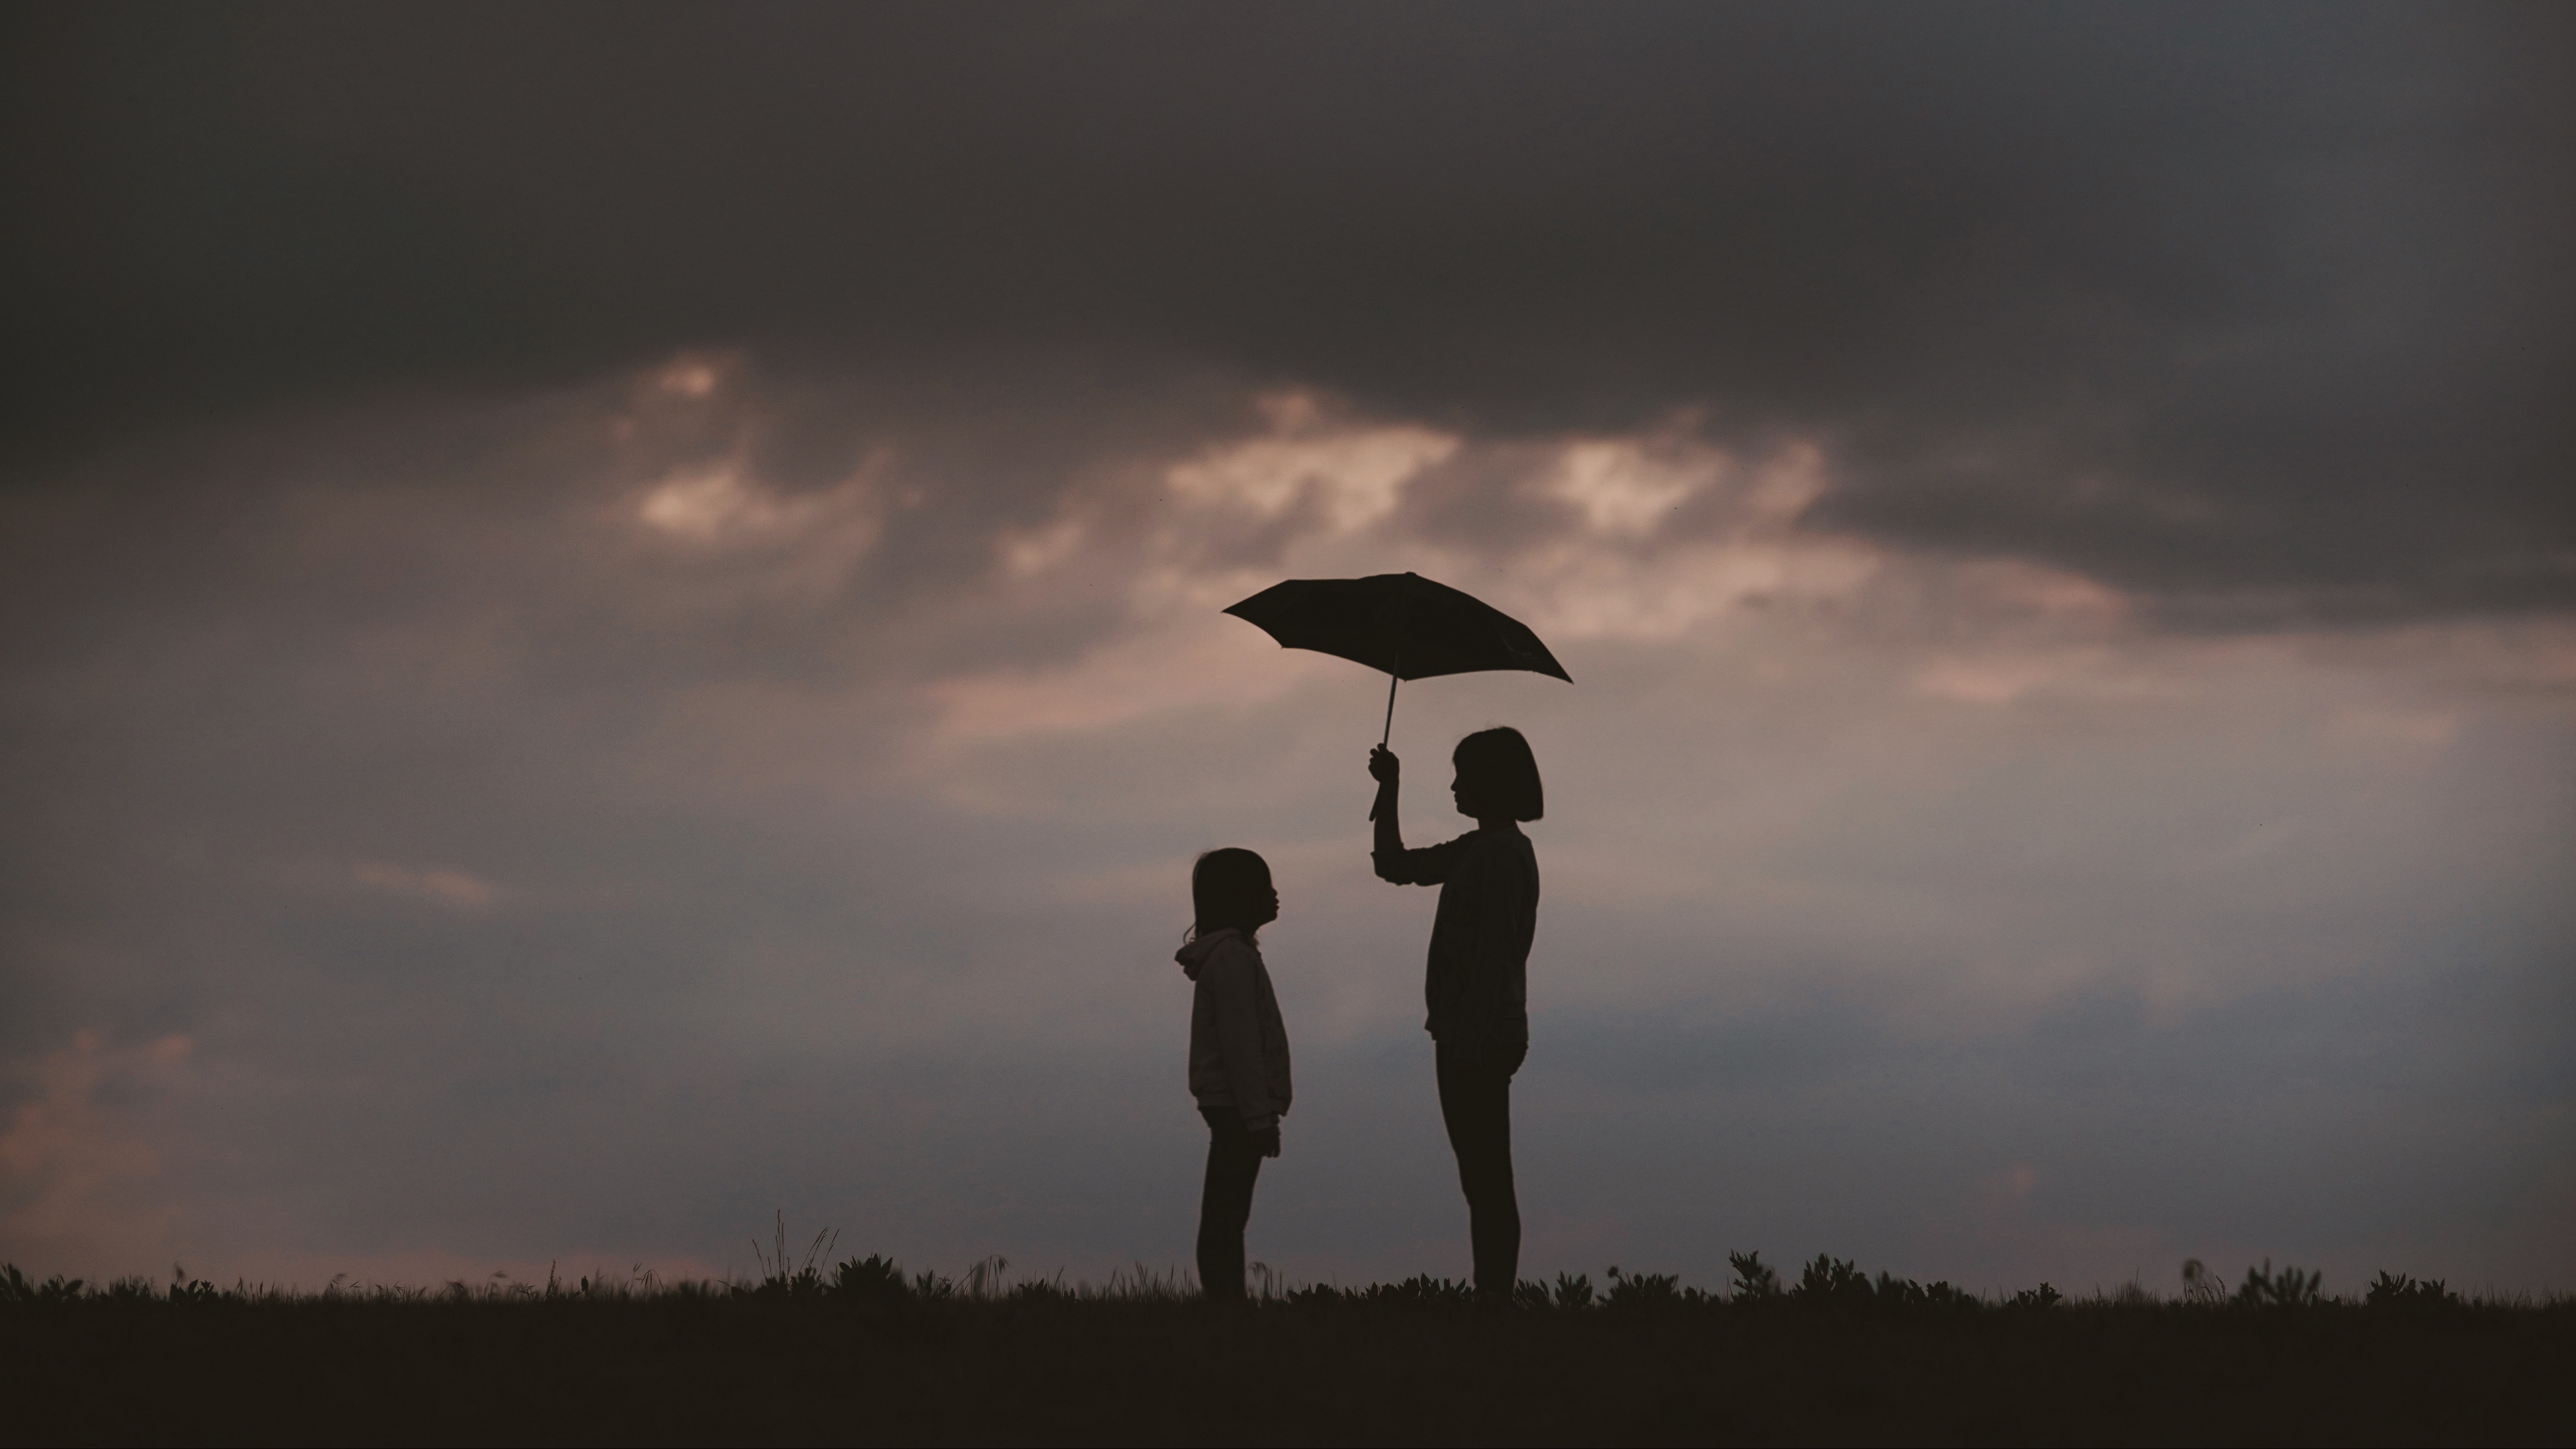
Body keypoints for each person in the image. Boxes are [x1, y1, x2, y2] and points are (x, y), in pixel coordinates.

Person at [1367, 727, 1543, 1304]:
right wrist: (1388, 790)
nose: (1454, 785)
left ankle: (1494, 1298)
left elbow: (1496, 953)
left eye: (1464, 775)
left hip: (1481, 1036)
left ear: (1492, 783)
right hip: (1469, 1032)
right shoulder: (1478, 848)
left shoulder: (1502, 854)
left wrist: (1468, 1038)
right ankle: (1492, 1295)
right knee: (1480, 1174)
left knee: (1488, 1175)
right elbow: (1394, 865)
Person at [1175, 847, 1292, 1303]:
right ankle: (1225, 1301)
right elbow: (1242, 1046)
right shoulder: (1232, 960)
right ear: (1242, 897)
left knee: (1227, 1211)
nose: (1275, 894)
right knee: (1227, 1214)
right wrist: (1259, 1118)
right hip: (1237, 1107)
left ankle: (1225, 1299)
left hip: (1234, 1106)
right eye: (1265, 886)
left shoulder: (1234, 956)